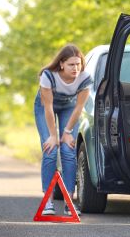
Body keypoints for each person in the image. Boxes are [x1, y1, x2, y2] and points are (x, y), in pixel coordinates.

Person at [34, 44, 93, 216]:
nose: (76, 68)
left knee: (68, 151)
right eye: (71, 64)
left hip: (70, 108)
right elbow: (48, 108)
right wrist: (53, 135)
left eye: (78, 64)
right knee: (50, 149)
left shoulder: (84, 78)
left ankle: (69, 202)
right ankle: (48, 202)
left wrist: (66, 133)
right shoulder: (48, 76)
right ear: (61, 64)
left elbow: (79, 108)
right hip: (45, 108)